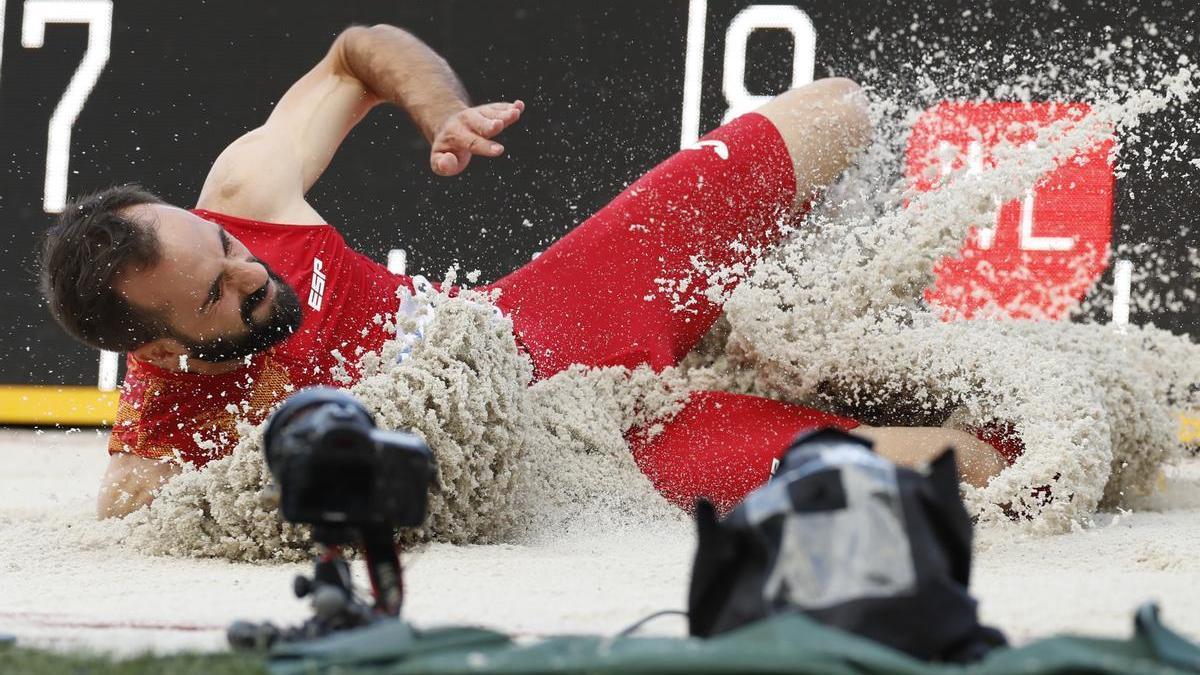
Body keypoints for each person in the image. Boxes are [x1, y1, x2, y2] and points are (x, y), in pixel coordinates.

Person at [39, 24, 1006, 519]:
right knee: (977, 468)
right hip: (570, 446)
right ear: (162, 346)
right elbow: (162, 518)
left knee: (837, 111)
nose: (247, 269)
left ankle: (802, 331)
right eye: (218, 293)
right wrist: (271, 449)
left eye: (228, 251)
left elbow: (360, 52)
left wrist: (441, 113)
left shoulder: (243, 195)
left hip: (536, 314)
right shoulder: (159, 456)